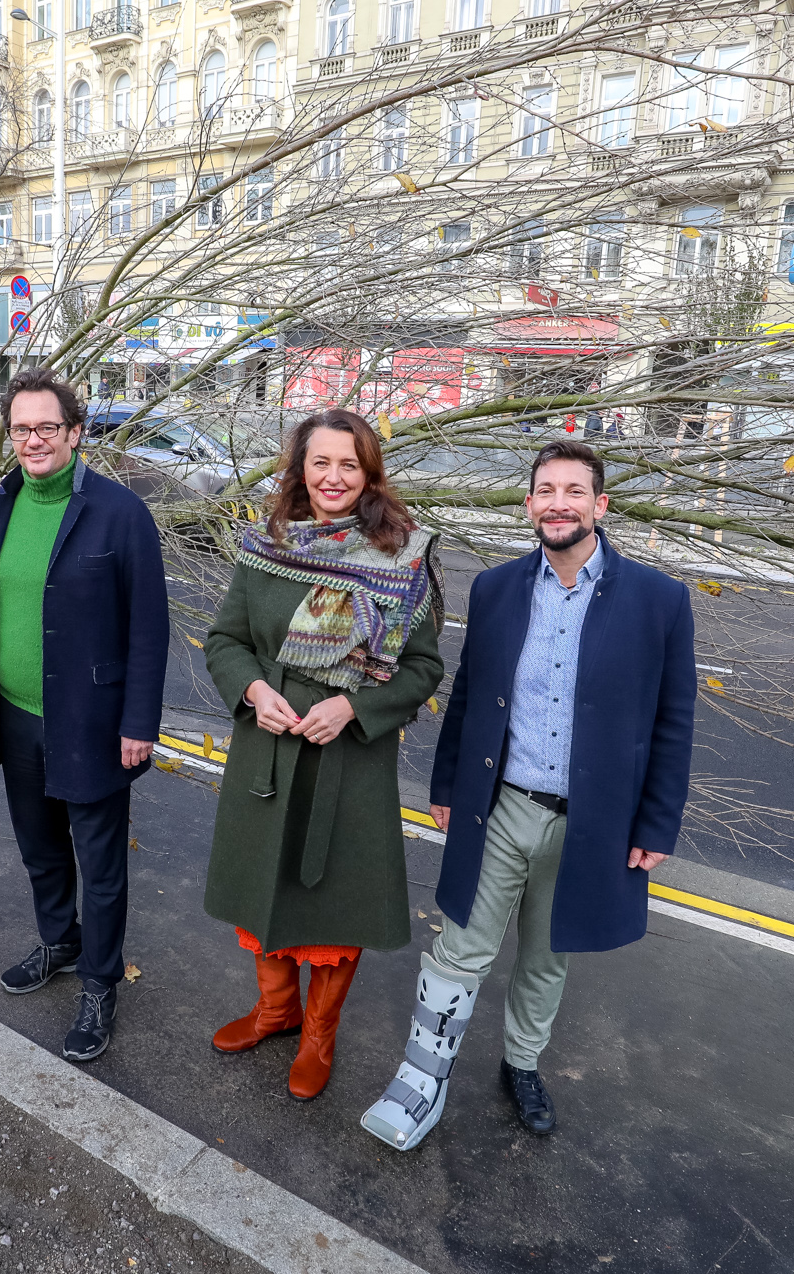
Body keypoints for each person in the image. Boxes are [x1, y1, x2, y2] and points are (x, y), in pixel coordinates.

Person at [361, 438, 695, 1150]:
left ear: (600, 506)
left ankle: (522, 1064)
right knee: (462, 944)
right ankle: (422, 1079)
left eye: (574, 490)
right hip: (503, 804)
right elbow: (473, 692)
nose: (559, 502)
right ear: (529, 505)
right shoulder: (498, 588)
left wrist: (657, 824)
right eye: (546, 489)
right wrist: (447, 781)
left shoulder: (659, 601)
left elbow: (673, 719)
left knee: (547, 956)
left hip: (592, 824)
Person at [203, 410, 445, 1101]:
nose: (333, 477)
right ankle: (276, 1011)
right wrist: (252, 689)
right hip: (270, 748)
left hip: (349, 759)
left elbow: (423, 668)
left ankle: (317, 1033)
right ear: (299, 468)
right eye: (319, 462)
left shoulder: (402, 554)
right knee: (265, 887)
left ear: (369, 472)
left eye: (348, 464)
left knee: (334, 907)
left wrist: (354, 707)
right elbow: (226, 639)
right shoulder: (264, 544)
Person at [0, 368, 169, 1062]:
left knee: (100, 862)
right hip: (17, 713)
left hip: (95, 721)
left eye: (47, 426)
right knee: (40, 848)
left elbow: (148, 626)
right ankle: (60, 939)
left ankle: (100, 983)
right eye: (21, 428)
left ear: (76, 433)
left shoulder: (119, 512)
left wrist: (139, 720)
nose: (34, 439)